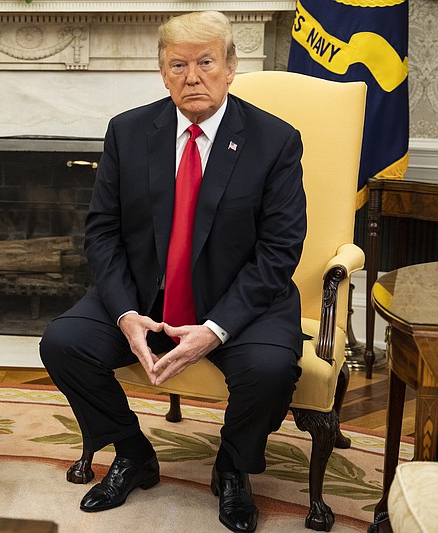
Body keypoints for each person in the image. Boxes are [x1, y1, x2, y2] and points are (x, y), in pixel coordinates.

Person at [40, 11, 305, 533]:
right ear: (162, 72)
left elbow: (279, 250)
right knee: (62, 342)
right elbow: (102, 233)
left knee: (271, 371)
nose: (192, 77)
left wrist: (214, 329)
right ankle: (133, 452)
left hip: (239, 304)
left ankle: (232, 466)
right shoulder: (129, 131)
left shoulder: (275, 141)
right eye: (177, 65)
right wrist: (125, 314)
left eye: (206, 62)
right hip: (146, 297)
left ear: (231, 68)